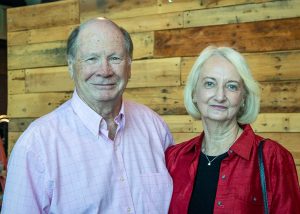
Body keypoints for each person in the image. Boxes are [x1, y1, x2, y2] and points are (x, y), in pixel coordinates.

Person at [2, 17, 174, 213]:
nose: (105, 70)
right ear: (70, 66)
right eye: (91, 58)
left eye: (115, 58)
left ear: (129, 66)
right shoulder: (36, 145)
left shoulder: (154, 127)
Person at [165, 46, 300, 214]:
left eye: (231, 86)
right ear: (194, 93)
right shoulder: (174, 158)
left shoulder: (273, 157)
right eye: (209, 83)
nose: (220, 96)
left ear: (243, 97)